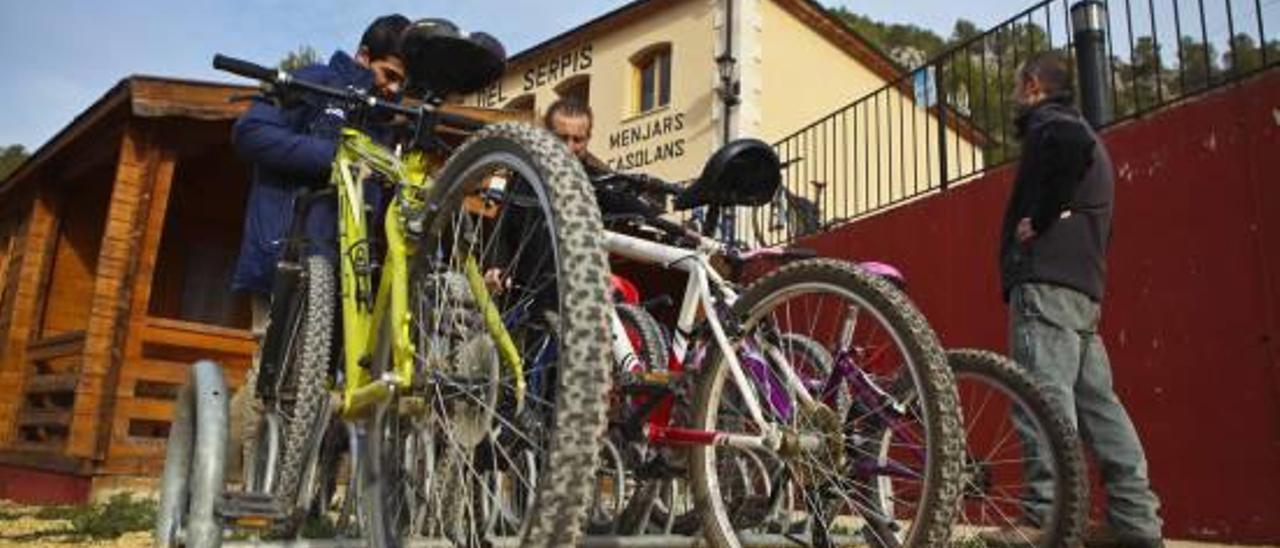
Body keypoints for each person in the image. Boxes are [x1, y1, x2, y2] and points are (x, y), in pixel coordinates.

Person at [985, 51, 1163, 548]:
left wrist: (1039, 219)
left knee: (1040, 399)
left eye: (1020, 87)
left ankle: (1046, 517)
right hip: (1082, 290)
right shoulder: (1083, 131)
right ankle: (1135, 524)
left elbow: (1065, 151)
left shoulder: (1054, 124)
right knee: (1100, 409)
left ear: (1035, 86)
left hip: (1046, 285)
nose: (1016, 97)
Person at [227, 14, 411, 478]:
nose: (392, 89)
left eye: (402, 82)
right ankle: (230, 482)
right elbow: (251, 133)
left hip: (346, 276)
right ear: (363, 56)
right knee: (272, 377)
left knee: (317, 387)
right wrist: (334, 159)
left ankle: (288, 493)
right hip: (285, 253)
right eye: (388, 75)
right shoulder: (316, 81)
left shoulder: (386, 123)